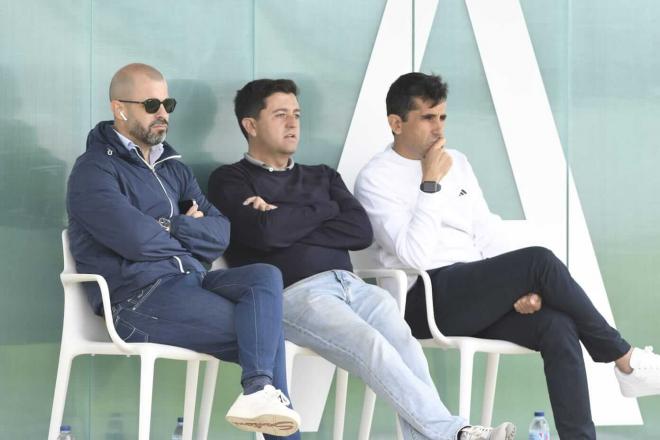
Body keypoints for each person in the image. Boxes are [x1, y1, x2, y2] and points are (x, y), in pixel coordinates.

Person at [354, 71, 660, 440]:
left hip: (474, 291)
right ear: (396, 123)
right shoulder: (376, 178)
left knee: (557, 327)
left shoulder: (458, 162)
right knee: (539, 261)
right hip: (423, 298)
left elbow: (486, 231)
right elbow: (414, 255)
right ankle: (624, 359)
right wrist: (430, 184)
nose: (439, 129)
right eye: (427, 118)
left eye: (443, 117)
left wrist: (517, 288)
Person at [207, 78, 516, 440]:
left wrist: (284, 214)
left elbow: (357, 231)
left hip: (351, 285)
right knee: (370, 344)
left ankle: (446, 435)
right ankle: (456, 433)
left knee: (404, 344)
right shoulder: (230, 180)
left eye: (297, 114)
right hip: (295, 294)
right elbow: (264, 235)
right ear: (251, 125)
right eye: (280, 115)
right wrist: (321, 210)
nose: (293, 123)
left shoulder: (321, 175)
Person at [66, 63, 300, 438]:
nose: (163, 113)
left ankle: (258, 391)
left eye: (167, 104)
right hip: (137, 299)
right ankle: (260, 394)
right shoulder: (93, 171)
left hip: (191, 281)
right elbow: (136, 240)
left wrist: (169, 224)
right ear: (119, 108)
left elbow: (220, 232)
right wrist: (186, 227)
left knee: (264, 277)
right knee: (261, 331)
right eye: (151, 104)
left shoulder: (173, 167)